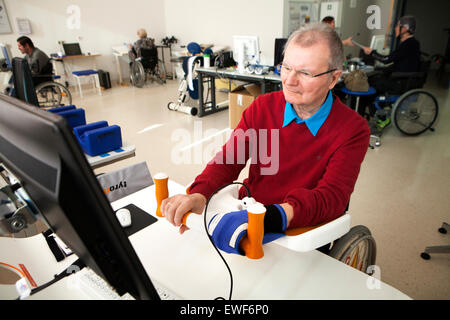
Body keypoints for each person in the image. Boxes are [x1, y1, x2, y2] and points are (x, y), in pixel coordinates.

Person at [161, 23, 370, 255]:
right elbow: (229, 160)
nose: (290, 80)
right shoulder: (263, 107)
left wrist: (269, 218)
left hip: (299, 231)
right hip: (248, 216)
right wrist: (199, 194)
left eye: (305, 73)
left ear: (333, 79)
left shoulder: (353, 129)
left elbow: (332, 198)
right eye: (286, 67)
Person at [362, 15, 421, 118]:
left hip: (401, 81)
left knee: (369, 85)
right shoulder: (410, 43)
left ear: (405, 29)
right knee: (373, 78)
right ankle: (376, 112)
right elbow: (397, 62)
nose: (395, 28)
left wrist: (372, 53)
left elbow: (386, 60)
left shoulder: (409, 44)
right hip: (400, 78)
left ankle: (379, 116)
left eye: (398, 26)